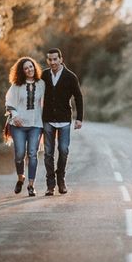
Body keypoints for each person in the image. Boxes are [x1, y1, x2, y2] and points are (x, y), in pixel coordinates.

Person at [41, 48, 83, 196]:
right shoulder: (44, 75)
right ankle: (50, 185)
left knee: (63, 150)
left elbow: (78, 97)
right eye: (50, 60)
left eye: (55, 59)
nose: (52, 62)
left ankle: (61, 179)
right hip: (48, 120)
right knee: (48, 153)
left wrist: (79, 118)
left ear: (60, 59)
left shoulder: (70, 77)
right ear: (48, 61)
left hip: (65, 119)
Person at [5, 56, 45, 197]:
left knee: (33, 154)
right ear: (22, 71)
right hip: (18, 125)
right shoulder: (16, 85)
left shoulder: (41, 84)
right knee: (20, 154)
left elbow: (47, 101)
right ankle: (20, 177)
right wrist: (15, 116)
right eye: (26, 68)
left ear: (35, 67)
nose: (29, 69)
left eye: (31, 66)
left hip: (35, 124)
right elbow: (9, 102)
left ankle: (31, 185)